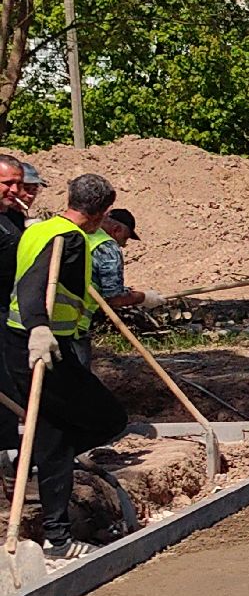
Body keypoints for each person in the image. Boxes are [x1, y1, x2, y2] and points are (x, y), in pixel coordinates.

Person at [1, 173, 130, 558]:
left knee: (53, 436)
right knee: (108, 419)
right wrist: (40, 328)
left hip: (21, 341)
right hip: (41, 346)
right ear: (102, 212)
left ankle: (58, 535)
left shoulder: (39, 230)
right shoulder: (67, 238)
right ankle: (49, 483)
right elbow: (34, 284)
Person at [75, 208, 166, 368]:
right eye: (124, 238)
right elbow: (114, 298)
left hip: (39, 319)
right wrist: (144, 298)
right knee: (77, 381)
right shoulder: (107, 248)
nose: (123, 244)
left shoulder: (79, 233)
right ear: (116, 230)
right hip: (74, 325)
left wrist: (126, 292)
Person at [0, 156, 45, 465]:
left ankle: (15, 455)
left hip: (9, 314)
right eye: (8, 183)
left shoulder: (10, 218)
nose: (16, 190)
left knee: (13, 388)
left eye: (20, 183)